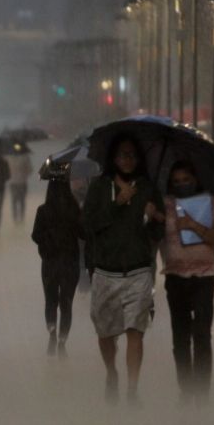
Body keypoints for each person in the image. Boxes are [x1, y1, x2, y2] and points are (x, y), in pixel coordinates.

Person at [83, 136, 165, 405]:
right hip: (106, 272)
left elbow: (157, 232)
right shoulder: (98, 187)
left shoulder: (148, 188)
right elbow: (88, 225)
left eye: (132, 155)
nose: (127, 160)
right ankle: (111, 373)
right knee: (105, 332)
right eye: (122, 155)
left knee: (135, 330)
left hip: (139, 271)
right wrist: (117, 202)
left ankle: (132, 389)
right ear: (113, 159)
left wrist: (154, 217)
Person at [158, 160, 214, 405]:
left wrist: (193, 225)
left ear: (196, 180)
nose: (182, 185)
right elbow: (153, 239)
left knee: (202, 334)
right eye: (177, 182)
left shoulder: (209, 202)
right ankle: (186, 390)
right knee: (181, 337)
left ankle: (202, 394)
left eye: (186, 180)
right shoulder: (164, 206)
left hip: (205, 276)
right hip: (175, 277)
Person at [31, 180, 83, 357]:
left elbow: (35, 235)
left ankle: (52, 331)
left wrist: (49, 239)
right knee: (66, 302)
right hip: (70, 262)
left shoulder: (43, 210)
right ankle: (62, 341)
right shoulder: (74, 209)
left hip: (50, 262)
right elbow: (83, 233)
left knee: (50, 300)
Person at [8, 152, 34, 224]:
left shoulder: (9, 158)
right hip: (21, 182)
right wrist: (24, 173)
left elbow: (6, 170)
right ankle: (21, 218)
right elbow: (30, 170)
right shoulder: (25, 157)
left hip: (13, 182)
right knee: (21, 201)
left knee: (14, 201)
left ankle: (16, 219)